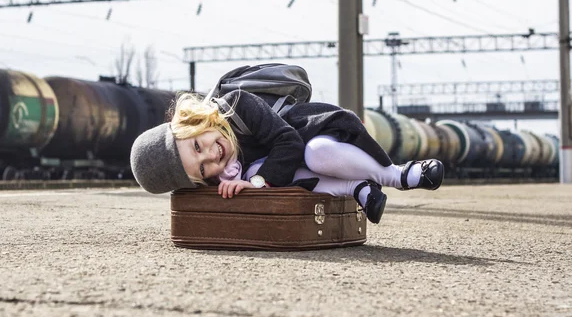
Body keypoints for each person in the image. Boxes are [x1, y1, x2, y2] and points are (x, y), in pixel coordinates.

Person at [130, 73, 443, 225]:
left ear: (193, 120)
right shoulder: (220, 176)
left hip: (315, 134)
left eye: (198, 144)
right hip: (301, 169)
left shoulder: (237, 105)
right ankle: (357, 188)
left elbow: (288, 143)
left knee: (314, 154)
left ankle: (398, 174)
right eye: (201, 169)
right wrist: (248, 185)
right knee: (257, 174)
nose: (211, 156)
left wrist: (257, 184)